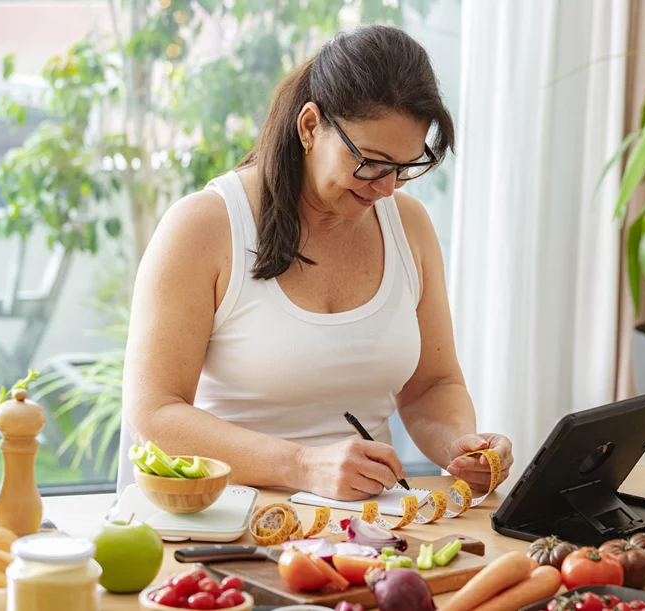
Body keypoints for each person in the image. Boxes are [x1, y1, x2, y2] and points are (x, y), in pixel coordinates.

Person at [123, 25, 513, 501]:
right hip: (229, 523)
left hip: (373, 528)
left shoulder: (408, 224)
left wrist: (460, 445)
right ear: (310, 126)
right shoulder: (203, 226)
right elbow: (154, 415)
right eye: (371, 161)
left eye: (405, 167)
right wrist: (302, 465)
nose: (387, 188)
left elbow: (432, 385)